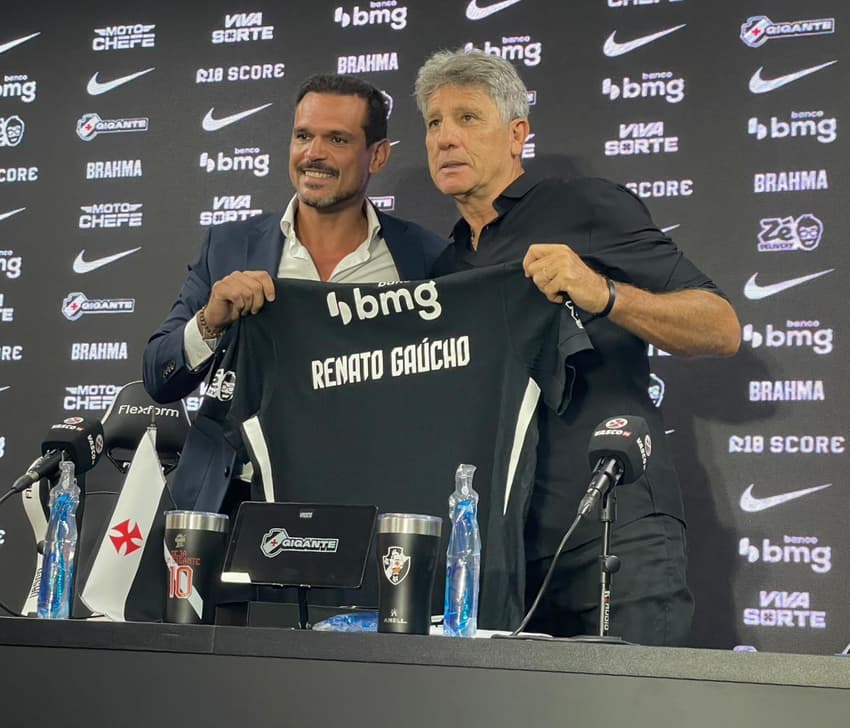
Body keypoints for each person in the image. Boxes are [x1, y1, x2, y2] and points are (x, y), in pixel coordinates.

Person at [414, 49, 741, 645]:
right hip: (504, 556)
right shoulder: (446, 268)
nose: (445, 138)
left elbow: (719, 326)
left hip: (616, 536)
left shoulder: (583, 205)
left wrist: (603, 293)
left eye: (467, 118)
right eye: (434, 123)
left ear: (517, 136)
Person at [143, 73, 447, 514]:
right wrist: (210, 321)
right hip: (235, 504)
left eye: (337, 140)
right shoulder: (228, 246)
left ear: (377, 156)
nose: (313, 154)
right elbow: (159, 376)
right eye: (303, 135)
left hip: (367, 507)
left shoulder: (426, 260)